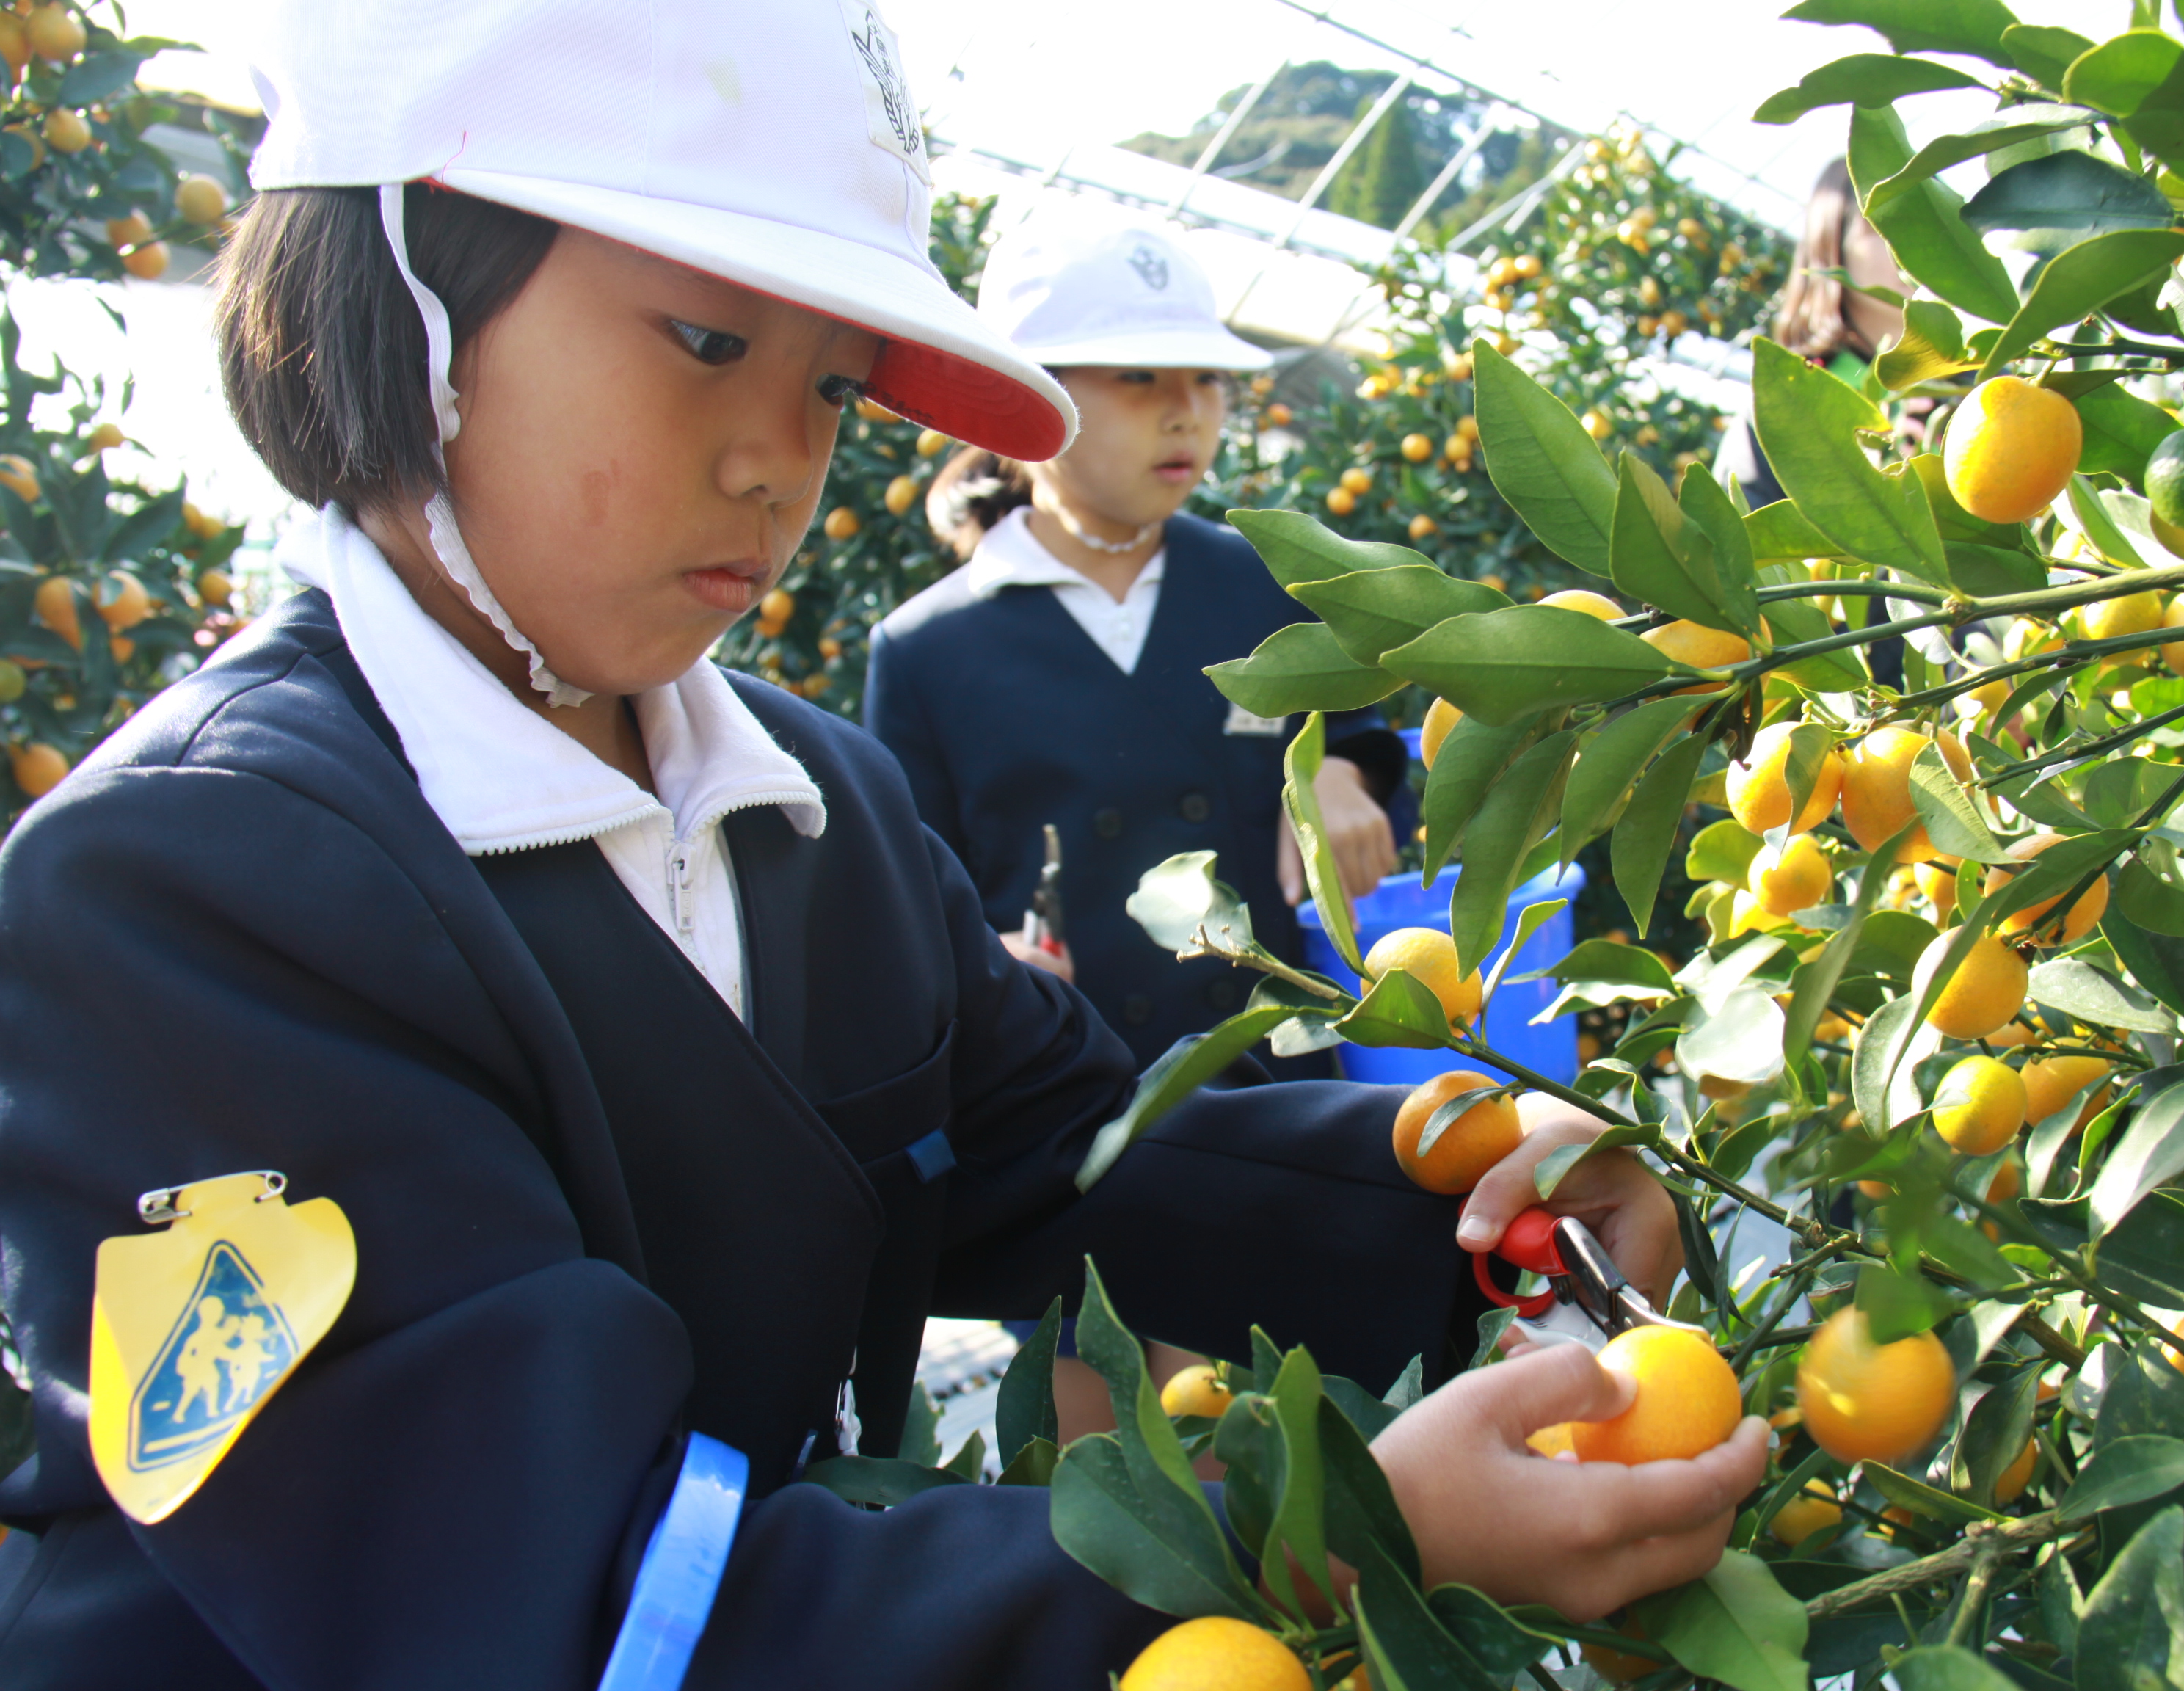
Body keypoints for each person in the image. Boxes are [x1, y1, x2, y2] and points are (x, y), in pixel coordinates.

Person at [0, 4, 1766, 1686]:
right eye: (708, 341)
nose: (783, 463)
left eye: (836, 388)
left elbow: (1070, 1155)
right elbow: (549, 1608)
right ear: (407, 303)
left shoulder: (809, 807)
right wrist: (1330, 1539)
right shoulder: (190, 891)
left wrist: (1471, 1195)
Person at [867, 219, 1403, 1078]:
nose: (1186, 411)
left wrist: (1341, 774)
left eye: (1207, 378)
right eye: (1140, 376)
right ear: (1024, 396)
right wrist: (988, 963)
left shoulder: (1263, 580)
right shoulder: (929, 650)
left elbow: (1351, 728)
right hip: (1072, 1093)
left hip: (1286, 1079)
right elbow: (913, 900)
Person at [1719, 159, 1913, 686]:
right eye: (1880, 226)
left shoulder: (1979, 395)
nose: (1907, 244)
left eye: (1918, 221)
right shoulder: (1790, 406)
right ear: (1832, 249)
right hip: (1849, 695)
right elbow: (1738, 559)